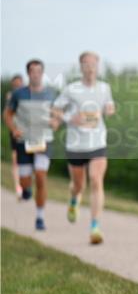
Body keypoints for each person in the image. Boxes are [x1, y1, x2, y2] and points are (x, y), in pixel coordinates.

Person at [51, 51, 116, 245]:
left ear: (97, 66)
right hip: (76, 145)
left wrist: (109, 110)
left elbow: (110, 106)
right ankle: (74, 200)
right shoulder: (71, 89)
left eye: (93, 64)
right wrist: (70, 118)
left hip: (97, 142)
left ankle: (95, 227)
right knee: (79, 185)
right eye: (86, 64)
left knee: (96, 180)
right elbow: (55, 109)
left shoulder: (105, 88)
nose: (90, 68)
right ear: (81, 67)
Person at [3, 60, 57, 230]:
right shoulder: (19, 94)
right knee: (25, 180)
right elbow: (7, 115)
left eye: (39, 71)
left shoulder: (50, 94)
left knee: (41, 177)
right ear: (28, 73)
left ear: (42, 73)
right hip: (23, 141)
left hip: (43, 140)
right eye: (32, 71)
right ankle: (26, 190)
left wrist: (56, 121)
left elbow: (57, 114)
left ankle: (40, 217)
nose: (36, 74)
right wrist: (13, 129)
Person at [5, 74, 25, 198]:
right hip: (15, 130)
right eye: (15, 84)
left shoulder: (28, 95)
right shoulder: (11, 97)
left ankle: (25, 184)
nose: (17, 86)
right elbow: (7, 115)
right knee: (15, 159)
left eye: (19, 84)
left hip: (27, 131)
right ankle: (18, 187)